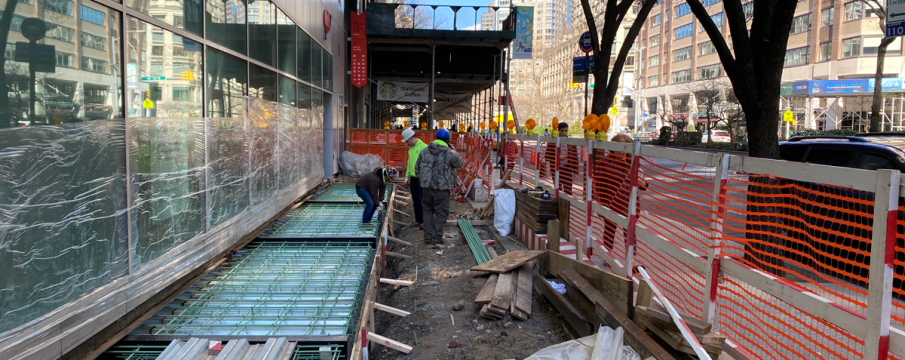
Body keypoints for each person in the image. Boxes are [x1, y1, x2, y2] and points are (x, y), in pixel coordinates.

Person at [415, 128, 465, 245]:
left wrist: (424, 181)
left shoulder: (424, 151)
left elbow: (417, 169)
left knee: (427, 210)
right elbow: (460, 163)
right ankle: (436, 238)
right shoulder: (449, 153)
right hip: (441, 189)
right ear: (447, 140)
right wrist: (453, 149)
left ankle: (428, 237)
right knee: (441, 212)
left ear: (436, 138)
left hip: (426, 188)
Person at [401, 128, 428, 224]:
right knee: (415, 200)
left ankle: (425, 221)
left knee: (422, 200)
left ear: (411, 138)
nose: (407, 143)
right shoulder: (411, 149)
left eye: (407, 141)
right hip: (413, 178)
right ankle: (419, 220)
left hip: (422, 178)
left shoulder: (424, 147)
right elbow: (409, 163)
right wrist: (407, 176)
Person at [557, 122, 576, 196]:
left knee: (568, 189)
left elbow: (575, 155)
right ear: (558, 130)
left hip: (567, 168)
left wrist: (575, 169)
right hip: (557, 169)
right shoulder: (554, 141)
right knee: (558, 189)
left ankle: (567, 205)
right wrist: (557, 157)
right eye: (562, 131)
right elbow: (548, 155)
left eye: (566, 130)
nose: (564, 133)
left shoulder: (570, 142)